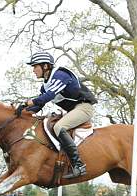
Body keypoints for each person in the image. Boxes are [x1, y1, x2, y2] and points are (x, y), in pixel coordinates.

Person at [15, 51, 97, 179]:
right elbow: (38, 106)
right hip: (72, 111)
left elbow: (48, 96)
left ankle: (78, 165)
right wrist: (22, 113)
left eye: (35, 66)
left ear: (45, 66)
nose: (33, 70)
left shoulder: (61, 75)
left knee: (59, 127)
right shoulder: (45, 86)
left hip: (84, 108)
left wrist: (27, 102)